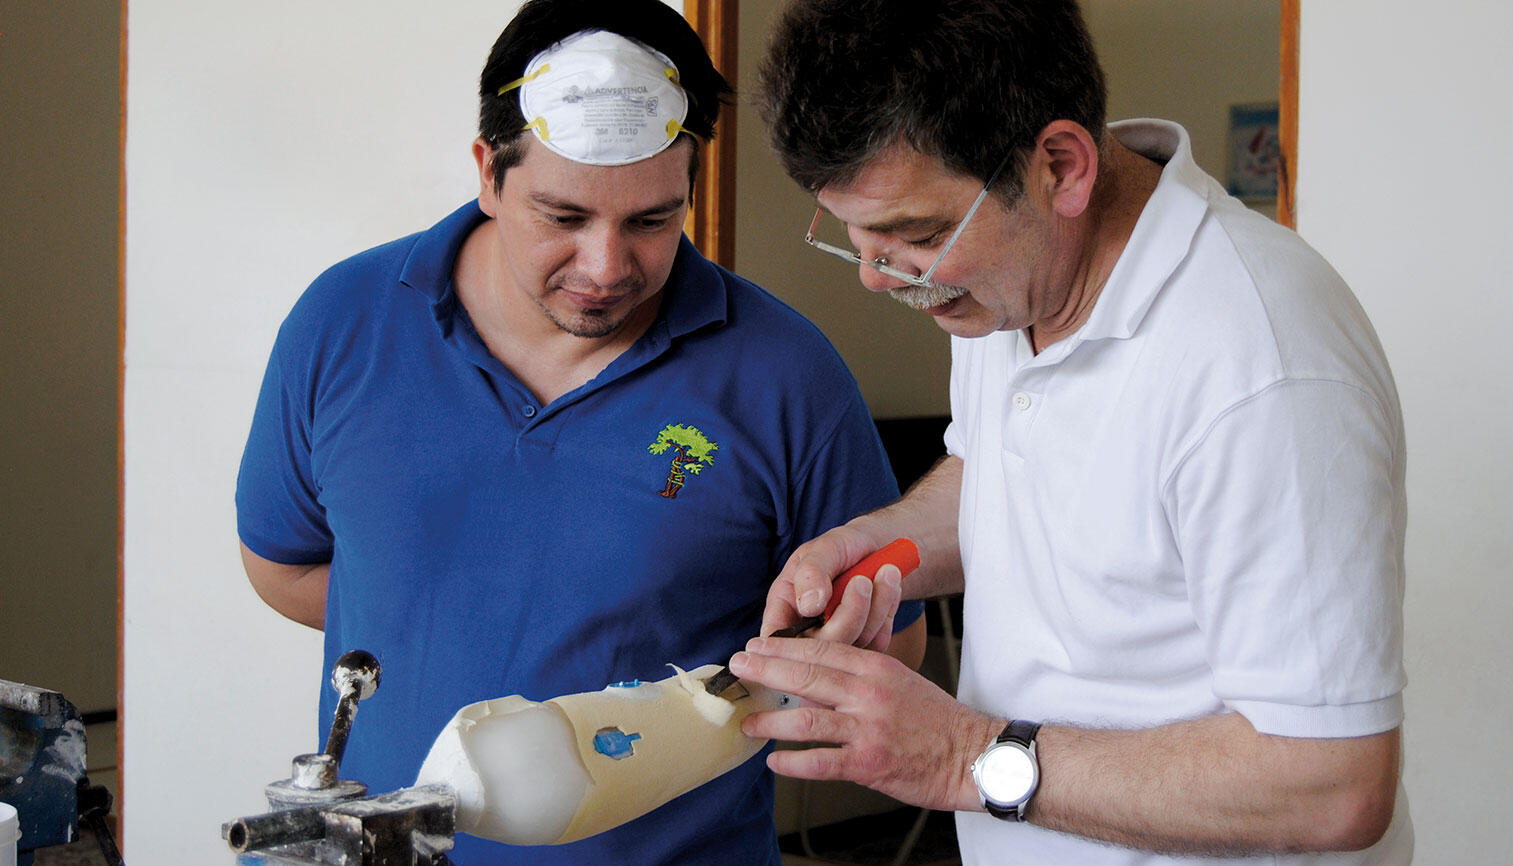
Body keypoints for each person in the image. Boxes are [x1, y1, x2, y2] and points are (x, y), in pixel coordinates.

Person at [234, 2, 924, 863]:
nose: (606, 269)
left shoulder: (784, 374)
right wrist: (460, 620)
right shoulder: (345, 321)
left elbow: (889, 636)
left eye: (651, 221)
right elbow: (283, 562)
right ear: (489, 174)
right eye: (563, 218)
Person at [729, 1, 1412, 863]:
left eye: (917, 235)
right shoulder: (1006, 288)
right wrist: (873, 545)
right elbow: (1004, 483)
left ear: (1060, 165)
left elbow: (1334, 785)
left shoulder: (1262, 361)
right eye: (856, 237)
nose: (875, 278)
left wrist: (957, 756)